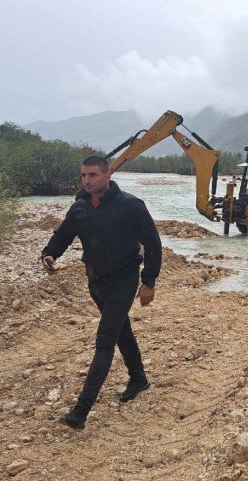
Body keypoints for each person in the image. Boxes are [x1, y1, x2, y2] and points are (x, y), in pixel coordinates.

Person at [40, 156, 162, 430]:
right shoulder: (80, 207)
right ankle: (139, 378)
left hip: (124, 279)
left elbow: (153, 243)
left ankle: (81, 411)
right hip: (96, 281)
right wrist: (49, 255)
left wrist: (149, 282)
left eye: (93, 175)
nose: (87, 180)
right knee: (121, 330)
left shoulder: (131, 205)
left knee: (105, 341)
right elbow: (63, 235)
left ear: (108, 175)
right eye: (84, 175)